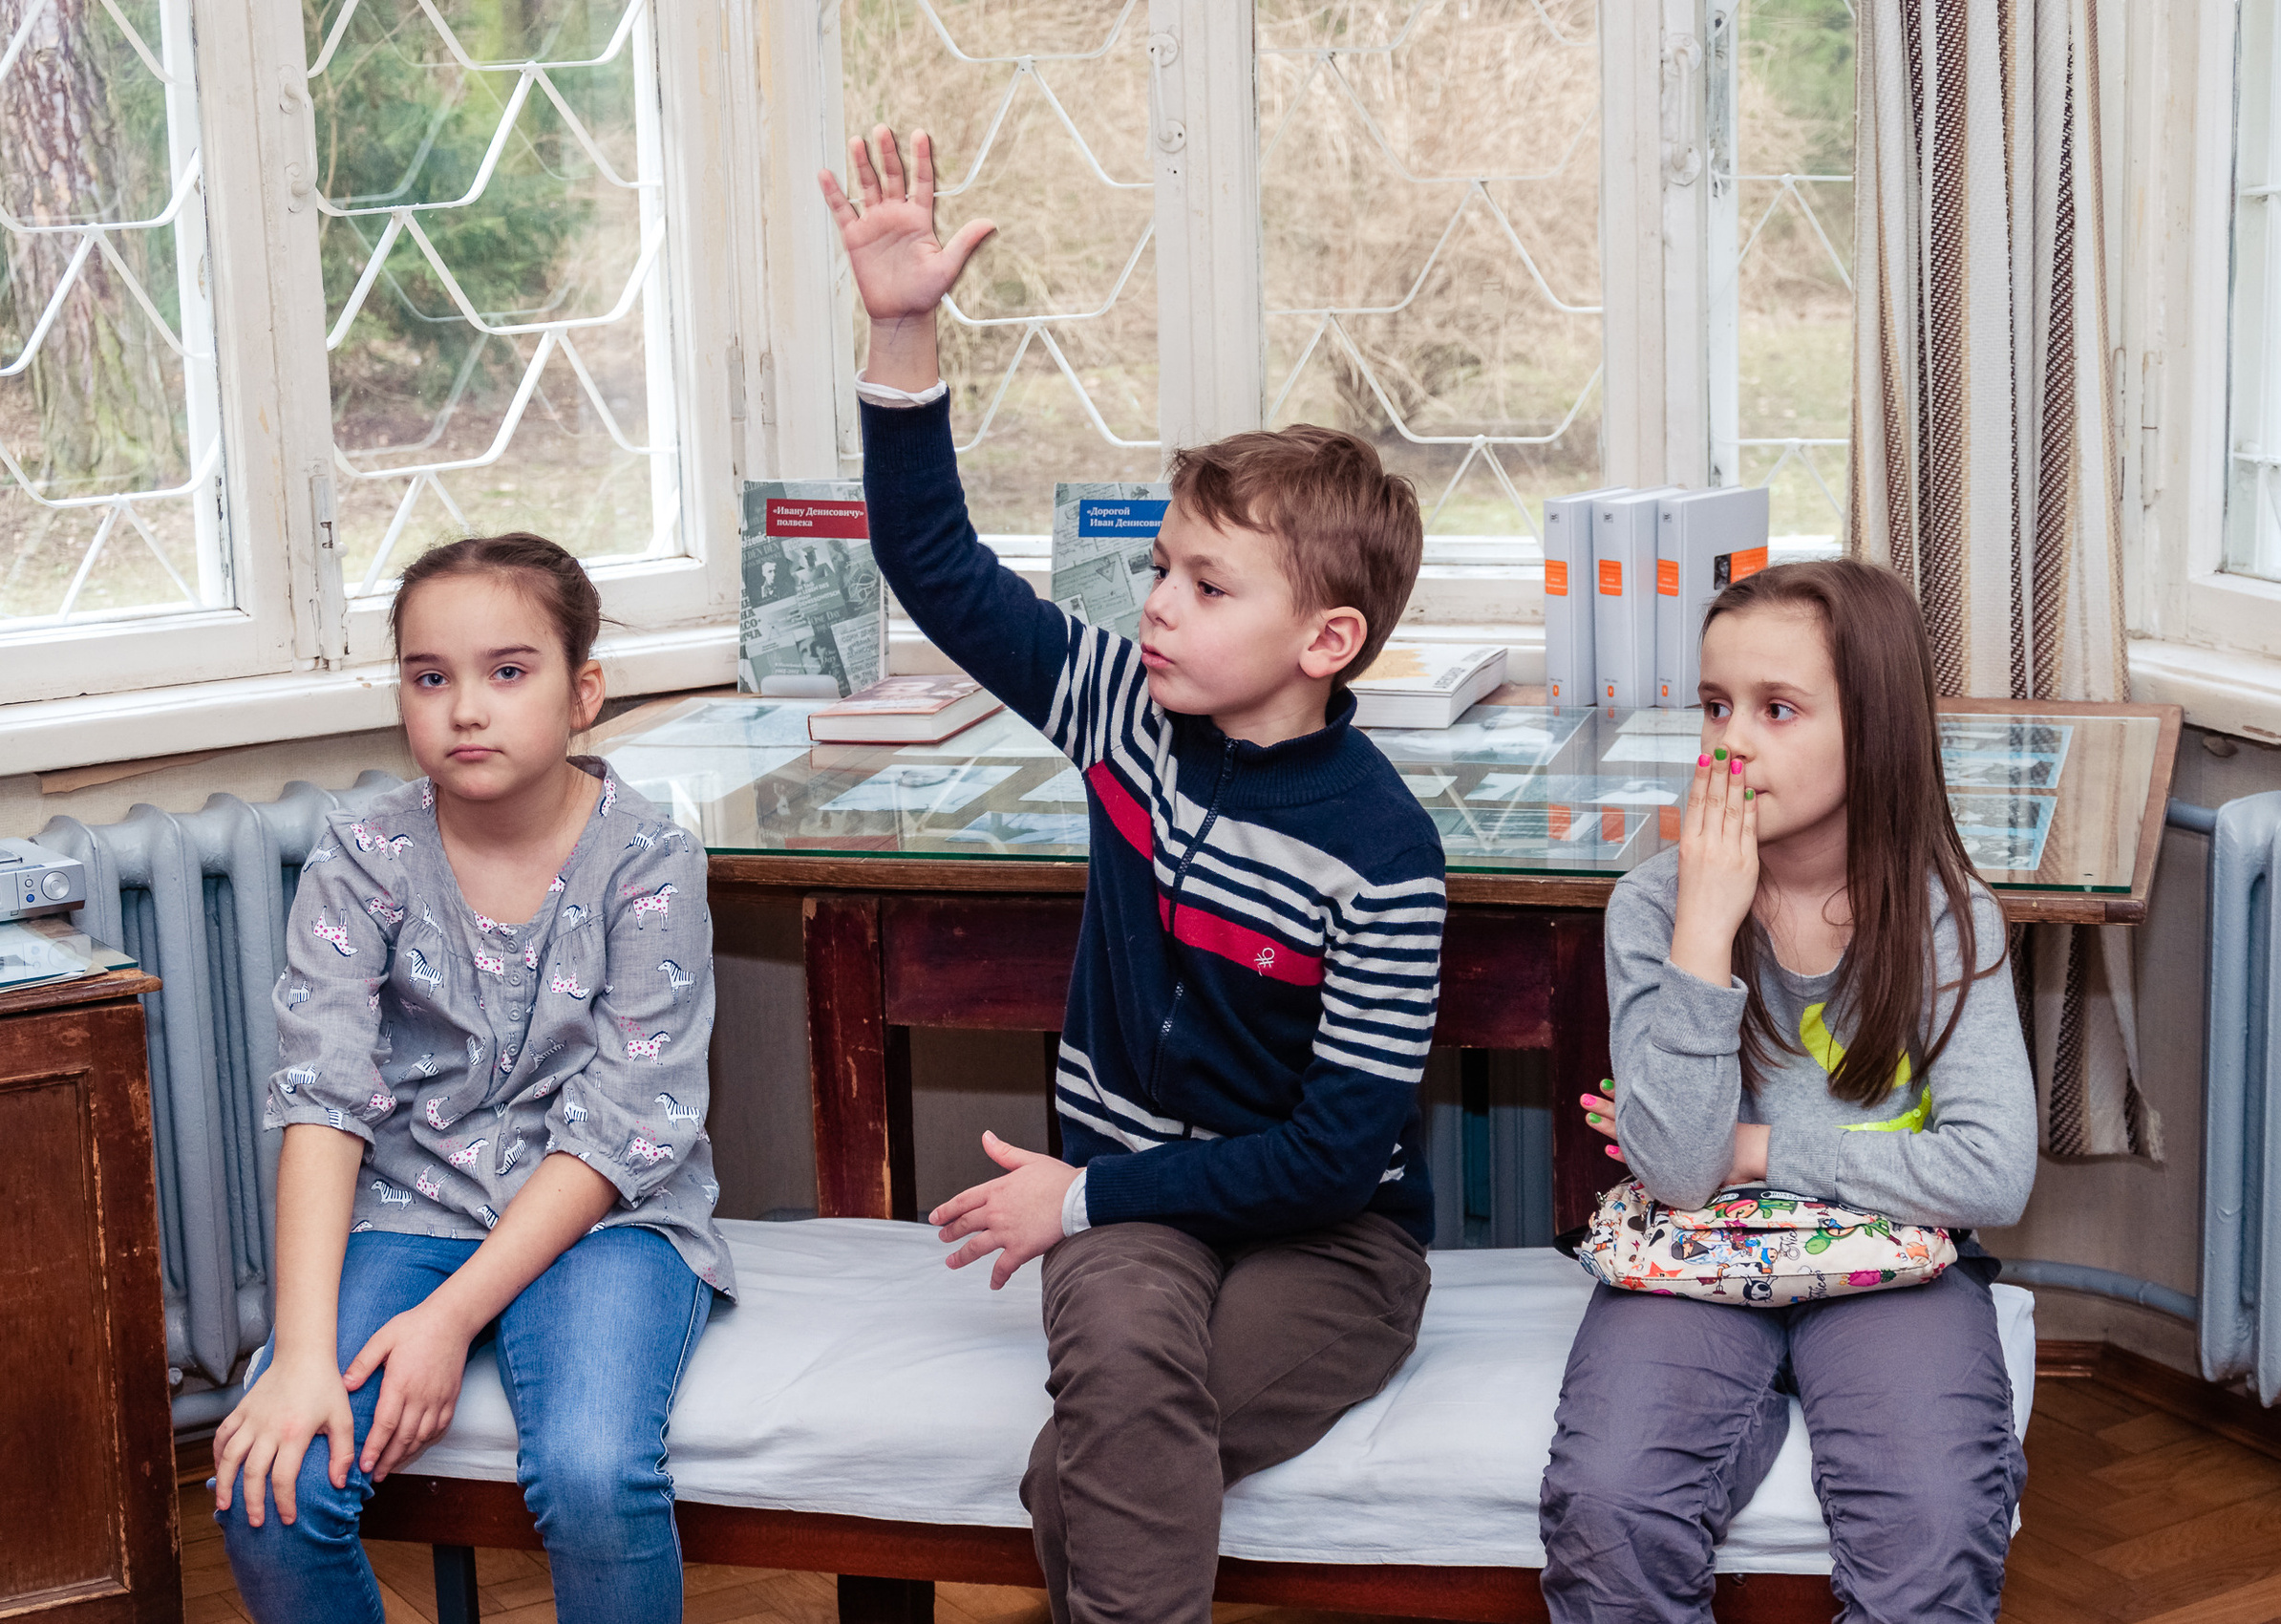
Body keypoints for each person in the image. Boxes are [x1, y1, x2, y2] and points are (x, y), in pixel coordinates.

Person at [820, 125, 1445, 1624]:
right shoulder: (1119, 709)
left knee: (1102, 1462)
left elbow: (1332, 1157)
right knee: (1125, 1397)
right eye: (1161, 566)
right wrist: (902, 332)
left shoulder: (1385, 855)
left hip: (1332, 1240)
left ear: (1327, 642)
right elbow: (939, 567)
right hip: (1131, 1219)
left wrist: (1083, 1199)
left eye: (1204, 584)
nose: (1153, 604)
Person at [212, 534, 726, 1624]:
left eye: (507, 670)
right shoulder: (360, 855)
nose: (465, 709)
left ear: (582, 691)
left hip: (607, 1217)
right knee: (274, 1482)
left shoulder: (651, 859)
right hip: (413, 1201)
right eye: (428, 677)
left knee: (594, 1476)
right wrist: (301, 1357)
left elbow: (626, 1126)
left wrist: (447, 1316)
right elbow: (322, 1100)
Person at [1544, 560, 2037, 1622]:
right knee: (1610, 1502)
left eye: (1775, 709)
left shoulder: (1949, 915)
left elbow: (1991, 1168)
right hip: (1691, 1257)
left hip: (1894, 1271)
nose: (1729, 741)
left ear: (1876, 729)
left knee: (1930, 1517)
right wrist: (1703, 932)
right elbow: (1676, 1168)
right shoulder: (1654, 909)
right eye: (1715, 706)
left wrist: (1761, 1148)